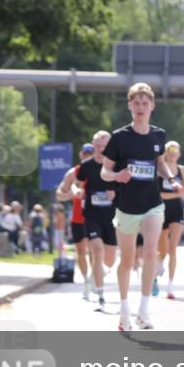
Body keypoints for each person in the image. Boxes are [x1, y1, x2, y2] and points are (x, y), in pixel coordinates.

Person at [101, 82, 181, 331]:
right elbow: (105, 171)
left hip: (152, 205)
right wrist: (117, 177)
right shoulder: (119, 137)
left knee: (150, 253)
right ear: (130, 106)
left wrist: (170, 179)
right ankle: (125, 310)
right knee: (126, 261)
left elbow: (159, 163)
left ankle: (144, 311)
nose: (140, 107)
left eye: (145, 103)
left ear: (152, 106)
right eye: (136, 102)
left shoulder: (158, 135)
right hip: (126, 208)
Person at [74, 132, 118, 311]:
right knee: (97, 250)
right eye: (97, 146)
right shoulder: (86, 166)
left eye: (104, 146)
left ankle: (97, 273)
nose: (100, 149)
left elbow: (125, 184)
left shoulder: (116, 164)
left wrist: (116, 193)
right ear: (93, 146)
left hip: (112, 217)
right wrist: (77, 191)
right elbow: (75, 183)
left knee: (109, 261)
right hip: (91, 215)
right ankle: (100, 295)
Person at [57, 143, 95, 300]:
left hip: (94, 216)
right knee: (81, 251)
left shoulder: (99, 170)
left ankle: (94, 278)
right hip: (78, 217)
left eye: (90, 152)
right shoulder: (73, 173)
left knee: (94, 250)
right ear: (81, 154)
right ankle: (86, 280)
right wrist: (71, 195)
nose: (87, 155)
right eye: (85, 152)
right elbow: (59, 193)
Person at [157, 141, 184, 300]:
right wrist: (176, 194)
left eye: (175, 149)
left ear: (179, 153)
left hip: (176, 210)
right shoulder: (160, 169)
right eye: (169, 149)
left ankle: (170, 285)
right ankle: (157, 268)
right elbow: (158, 194)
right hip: (160, 209)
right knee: (161, 249)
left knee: (173, 249)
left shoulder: (182, 170)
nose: (172, 152)